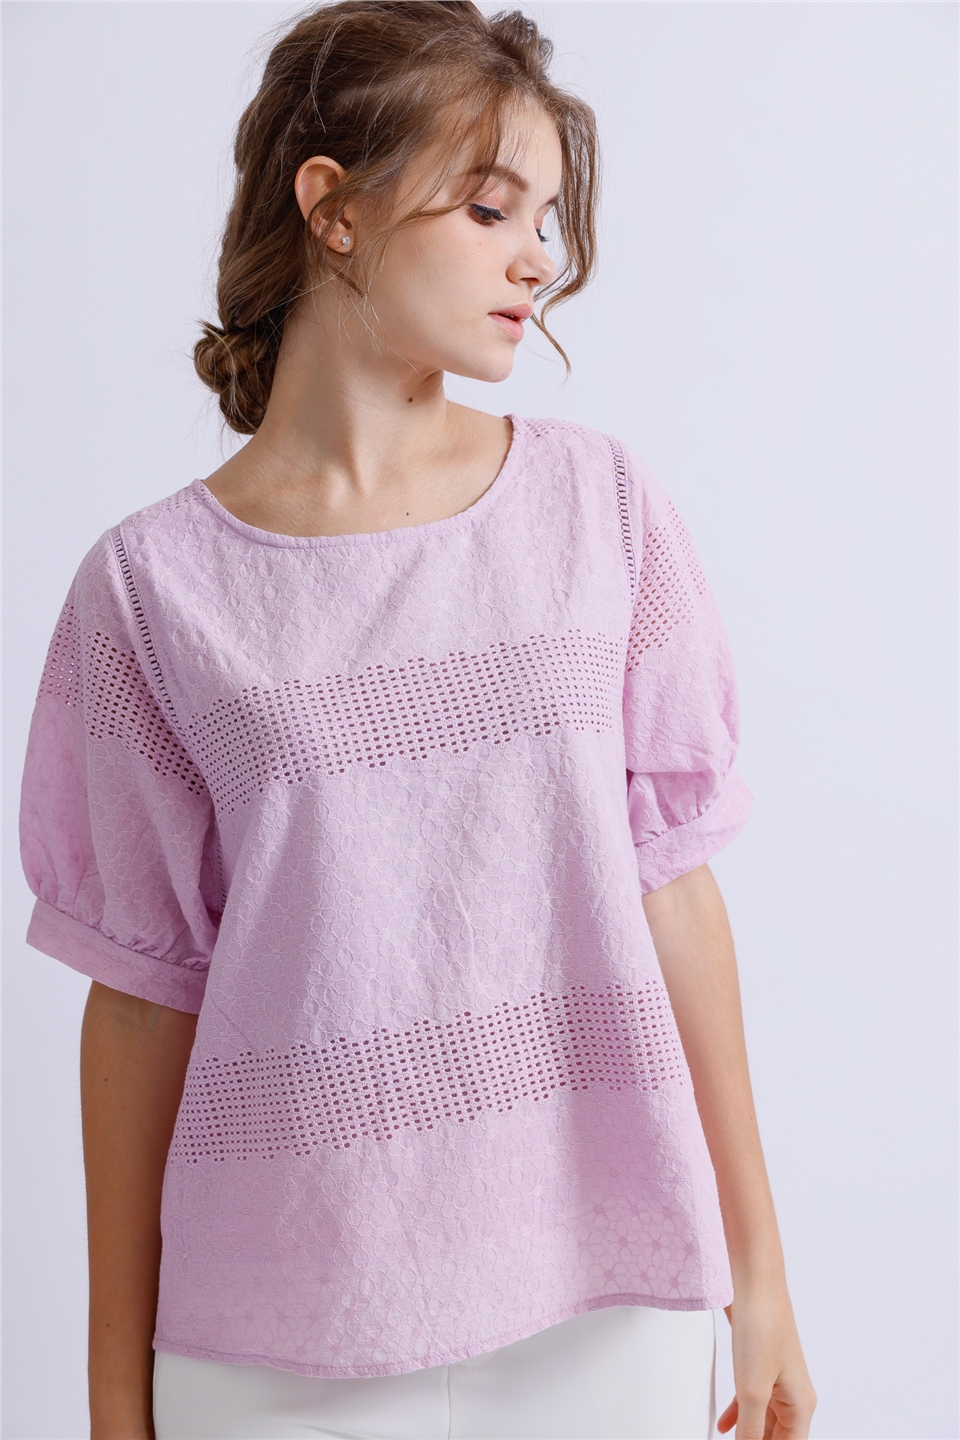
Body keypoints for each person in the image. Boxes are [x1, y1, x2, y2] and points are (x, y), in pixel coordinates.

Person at [18, 3, 817, 1437]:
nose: (537, 258)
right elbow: (140, 998)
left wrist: (761, 1276)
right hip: (277, 1338)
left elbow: (676, 891)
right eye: (489, 207)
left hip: (605, 1304)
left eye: (548, 221)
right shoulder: (149, 589)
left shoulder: (601, 508)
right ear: (333, 208)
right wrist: (110, 1396)